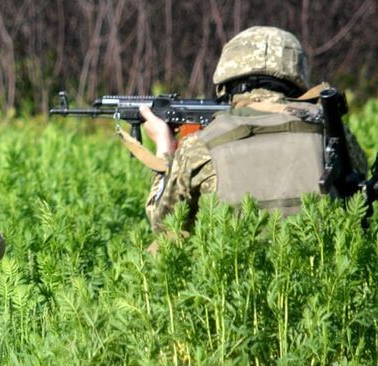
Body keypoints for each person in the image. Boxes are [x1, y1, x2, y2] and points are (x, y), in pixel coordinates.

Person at [139, 26, 366, 234]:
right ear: (297, 76)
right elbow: (357, 194)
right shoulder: (333, 132)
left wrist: (165, 147)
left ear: (226, 77)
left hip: (232, 273)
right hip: (320, 271)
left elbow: (163, 223)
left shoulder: (199, 145)